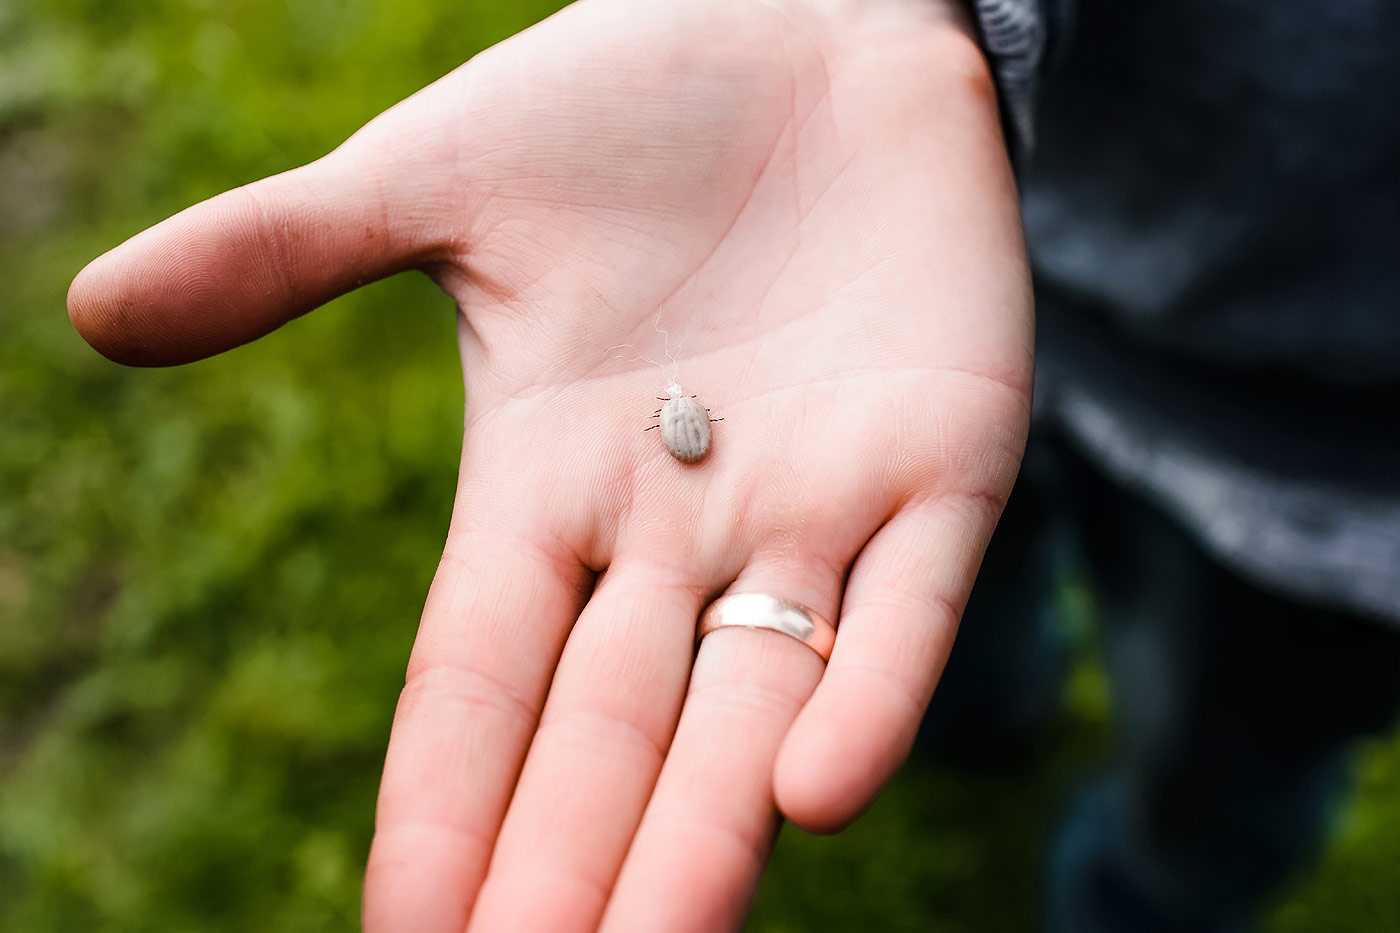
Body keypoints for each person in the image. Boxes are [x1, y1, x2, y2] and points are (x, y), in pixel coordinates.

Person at [64, 1, 1400, 931]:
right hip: (965, 249)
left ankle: (1146, 898)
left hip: (1330, 487)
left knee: (1222, 755)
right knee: (922, 577)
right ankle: (982, 714)